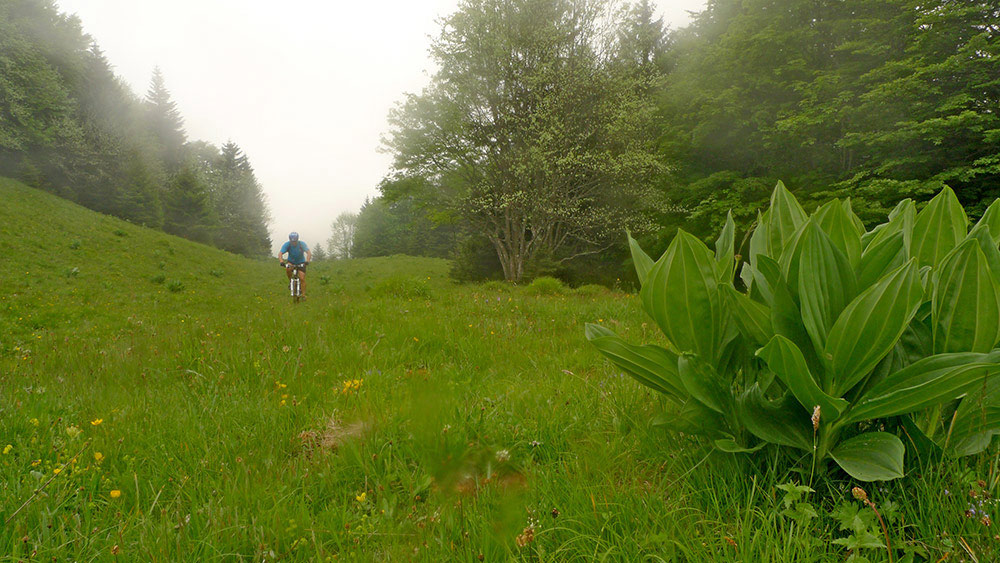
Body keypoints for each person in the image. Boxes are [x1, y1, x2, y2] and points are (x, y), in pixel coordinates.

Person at [279, 232, 312, 297]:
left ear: (297, 240)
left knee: (302, 278)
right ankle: (290, 281)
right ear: (290, 240)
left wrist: (307, 261)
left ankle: (303, 295)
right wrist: (281, 261)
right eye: (292, 241)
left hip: (301, 262)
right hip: (291, 261)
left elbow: (309, 252)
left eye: (295, 241)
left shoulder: (301, 244)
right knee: (288, 268)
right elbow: (280, 253)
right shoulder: (287, 244)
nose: (293, 243)